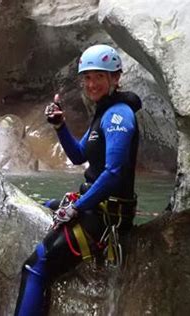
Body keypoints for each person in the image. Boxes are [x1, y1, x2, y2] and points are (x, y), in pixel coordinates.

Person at [14, 44, 142, 316]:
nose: (91, 83)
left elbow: (113, 172)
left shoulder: (119, 116)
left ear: (115, 78)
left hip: (103, 217)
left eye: (99, 76)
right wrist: (60, 126)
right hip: (94, 207)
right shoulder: (105, 113)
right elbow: (77, 155)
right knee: (48, 202)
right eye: (87, 77)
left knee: (35, 266)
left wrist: (78, 206)